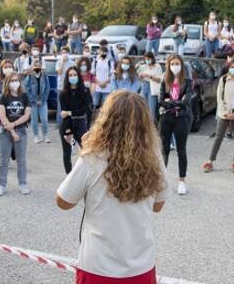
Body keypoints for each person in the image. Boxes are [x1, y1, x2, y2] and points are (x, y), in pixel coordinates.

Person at [56, 90, 169, 284]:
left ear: (106, 120)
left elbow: (63, 202)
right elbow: (157, 206)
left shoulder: (92, 158)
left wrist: (85, 151)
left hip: (97, 265)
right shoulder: (155, 159)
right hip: (141, 265)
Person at [203, 59, 234, 173]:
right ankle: (210, 161)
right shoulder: (223, 80)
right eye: (232, 67)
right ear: (228, 68)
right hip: (225, 112)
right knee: (219, 137)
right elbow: (219, 97)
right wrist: (225, 113)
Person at [158, 55, 192, 195]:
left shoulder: (188, 82)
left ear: (181, 65)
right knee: (164, 150)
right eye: (172, 63)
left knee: (181, 150)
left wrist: (170, 102)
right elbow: (161, 100)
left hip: (181, 119)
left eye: (177, 63)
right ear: (168, 65)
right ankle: (162, 180)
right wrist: (176, 102)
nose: (175, 66)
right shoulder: (164, 81)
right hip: (166, 118)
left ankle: (182, 181)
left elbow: (186, 101)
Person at [0, 72, 31, 196]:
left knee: (21, 160)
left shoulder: (24, 96)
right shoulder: (3, 97)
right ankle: (1, 185)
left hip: (21, 131)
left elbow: (27, 115)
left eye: (16, 80)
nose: (14, 83)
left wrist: (14, 125)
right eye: (12, 81)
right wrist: (11, 131)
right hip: (5, 132)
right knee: (4, 160)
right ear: (7, 83)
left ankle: (23, 183)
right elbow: (2, 115)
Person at [59, 66, 93, 174]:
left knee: (86, 150)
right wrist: (68, 131)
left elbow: (84, 110)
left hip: (80, 124)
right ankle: (69, 176)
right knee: (67, 152)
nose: (72, 77)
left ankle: (87, 174)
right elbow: (64, 114)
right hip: (67, 125)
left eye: (74, 75)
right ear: (67, 78)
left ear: (78, 76)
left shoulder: (85, 91)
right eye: (70, 75)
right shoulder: (63, 93)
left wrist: (70, 113)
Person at [25, 60, 50, 144]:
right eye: (36, 65)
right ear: (32, 67)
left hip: (43, 101)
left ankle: (45, 135)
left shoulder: (45, 76)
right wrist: (34, 100)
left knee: (44, 119)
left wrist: (43, 100)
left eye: (39, 65)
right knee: (34, 120)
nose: (37, 67)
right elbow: (27, 89)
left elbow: (47, 88)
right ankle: (36, 135)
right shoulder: (29, 76)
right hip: (33, 102)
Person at [137, 51, 162, 119]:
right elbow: (138, 78)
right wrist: (140, 75)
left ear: (152, 58)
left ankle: (152, 125)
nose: (147, 60)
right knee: (142, 108)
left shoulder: (157, 66)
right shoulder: (143, 66)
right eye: (146, 59)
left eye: (148, 59)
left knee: (152, 109)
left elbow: (159, 80)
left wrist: (149, 76)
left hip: (153, 88)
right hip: (144, 86)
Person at [55, 47, 76, 125]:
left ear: (69, 53)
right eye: (63, 52)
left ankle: (69, 123)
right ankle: (60, 124)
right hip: (61, 87)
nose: (64, 54)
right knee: (60, 106)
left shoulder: (72, 63)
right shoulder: (58, 62)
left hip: (70, 87)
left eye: (66, 52)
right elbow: (59, 72)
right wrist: (63, 63)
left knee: (70, 106)